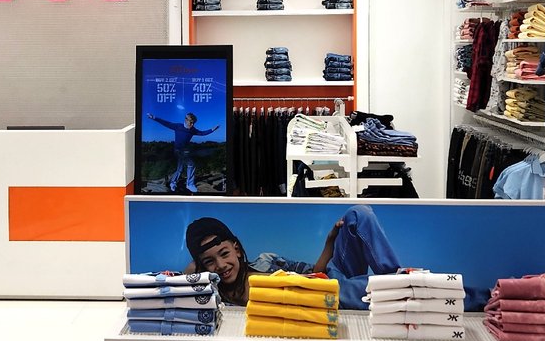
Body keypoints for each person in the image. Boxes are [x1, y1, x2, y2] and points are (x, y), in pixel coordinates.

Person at [183, 205, 402, 308]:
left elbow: (315, 272)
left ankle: (396, 280)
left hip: (326, 281)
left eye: (224, 254)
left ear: (237, 249)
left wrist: (329, 243)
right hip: (324, 298)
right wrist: (200, 267)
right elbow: (182, 278)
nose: (221, 265)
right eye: (210, 262)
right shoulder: (217, 299)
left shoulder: (266, 261)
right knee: (352, 289)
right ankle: (400, 287)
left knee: (358, 213)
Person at [147, 111, 219, 194]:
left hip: (185, 151)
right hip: (178, 150)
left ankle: (174, 183)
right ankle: (188, 184)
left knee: (180, 168)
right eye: (191, 122)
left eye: (193, 123)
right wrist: (154, 117)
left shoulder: (192, 130)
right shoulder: (178, 126)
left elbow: (202, 133)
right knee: (191, 164)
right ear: (186, 120)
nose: (192, 124)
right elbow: (166, 123)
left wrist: (212, 130)